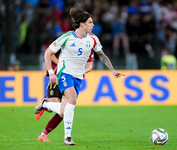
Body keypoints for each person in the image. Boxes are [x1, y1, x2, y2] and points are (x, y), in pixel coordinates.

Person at [34, 7, 125, 146]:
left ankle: (45, 104)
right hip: (64, 73)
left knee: (64, 110)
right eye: (90, 22)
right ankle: (67, 138)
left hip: (78, 77)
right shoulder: (67, 37)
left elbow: (102, 55)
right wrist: (51, 72)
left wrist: (112, 70)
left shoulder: (93, 39)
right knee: (72, 99)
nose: (93, 25)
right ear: (82, 24)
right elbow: (48, 53)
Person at [36, 49, 95, 142]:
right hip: (57, 77)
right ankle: (45, 104)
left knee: (63, 112)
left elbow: (89, 66)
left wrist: (80, 72)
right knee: (55, 109)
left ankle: (43, 134)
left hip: (71, 80)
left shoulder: (89, 46)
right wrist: (63, 66)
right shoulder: (67, 40)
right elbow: (50, 54)